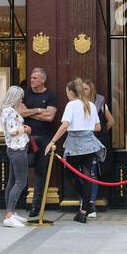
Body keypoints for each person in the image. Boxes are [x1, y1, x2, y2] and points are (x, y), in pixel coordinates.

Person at [45, 78, 104, 224]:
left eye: (66, 91)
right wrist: (86, 125)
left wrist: (52, 141)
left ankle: (86, 205)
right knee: (87, 175)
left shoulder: (71, 105)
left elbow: (65, 125)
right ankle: (85, 209)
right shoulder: (89, 104)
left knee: (69, 174)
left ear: (71, 91)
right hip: (89, 143)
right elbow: (98, 127)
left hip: (76, 143)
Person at [17, 67, 59, 221]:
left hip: (45, 138)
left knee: (41, 172)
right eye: (31, 77)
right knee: (23, 165)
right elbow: (21, 112)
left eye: (35, 78)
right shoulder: (25, 93)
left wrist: (31, 111)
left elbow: (50, 117)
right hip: (26, 137)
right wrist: (40, 110)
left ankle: (36, 206)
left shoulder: (50, 95)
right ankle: (15, 203)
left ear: (43, 79)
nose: (32, 80)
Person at [0, 85, 31, 227]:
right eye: (20, 96)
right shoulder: (10, 111)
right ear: (15, 97)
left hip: (13, 148)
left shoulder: (6, 110)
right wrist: (25, 129)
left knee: (12, 182)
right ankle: (9, 215)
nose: (22, 98)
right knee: (20, 182)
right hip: (18, 148)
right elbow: (13, 132)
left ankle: (10, 212)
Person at [85, 77, 116, 207]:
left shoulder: (101, 103)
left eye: (85, 88)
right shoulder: (78, 104)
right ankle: (85, 201)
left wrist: (101, 131)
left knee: (93, 172)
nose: (83, 91)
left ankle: (91, 203)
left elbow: (111, 121)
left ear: (91, 90)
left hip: (97, 141)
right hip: (84, 141)